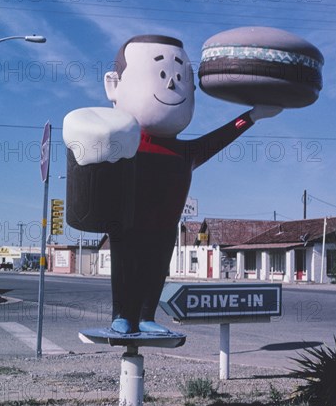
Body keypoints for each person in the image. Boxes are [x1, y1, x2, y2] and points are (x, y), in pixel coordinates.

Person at [63, 34, 282, 334]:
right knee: (125, 265)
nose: (171, 84)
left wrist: (252, 117)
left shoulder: (185, 153)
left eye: (180, 77)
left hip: (166, 226)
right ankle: (122, 314)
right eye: (162, 74)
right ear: (113, 85)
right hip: (126, 223)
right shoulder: (126, 148)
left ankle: (146, 315)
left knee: (156, 269)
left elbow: (219, 139)